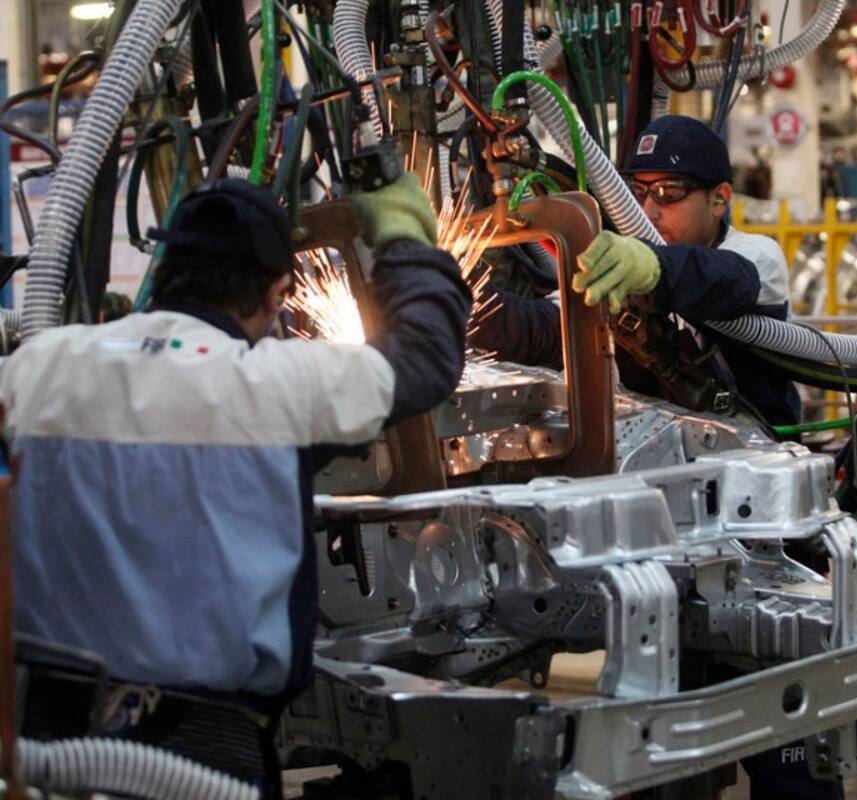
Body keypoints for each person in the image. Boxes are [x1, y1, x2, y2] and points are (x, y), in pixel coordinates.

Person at [0, 174, 469, 705]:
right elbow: (425, 357)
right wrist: (404, 240)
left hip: (43, 725)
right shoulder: (274, 384)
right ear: (274, 295)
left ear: (164, 270)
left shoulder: (39, 365)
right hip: (205, 734)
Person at [473, 115, 801, 427]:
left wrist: (654, 267)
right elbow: (539, 329)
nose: (648, 210)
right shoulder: (624, 265)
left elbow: (721, 278)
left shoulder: (757, 256)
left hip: (759, 448)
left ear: (719, 199)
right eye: (639, 193)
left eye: (669, 192)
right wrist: (463, 296)